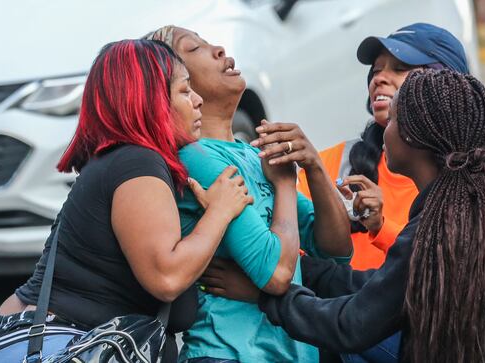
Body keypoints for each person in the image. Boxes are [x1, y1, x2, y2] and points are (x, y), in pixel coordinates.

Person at [212, 70, 485, 362]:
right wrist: (310, 272)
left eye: (391, 120)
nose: (382, 129)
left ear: (413, 137)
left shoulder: (441, 233)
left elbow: (349, 325)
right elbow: (390, 288)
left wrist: (268, 296)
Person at [0, 39, 253, 363]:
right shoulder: (137, 164)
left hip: (35, 340)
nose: (198, 100)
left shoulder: (123, 161)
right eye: (184, 91)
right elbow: (167, 278)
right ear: (152, 102)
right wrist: (220, 211)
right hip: (55, 344)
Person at [144, 26, 352, 362]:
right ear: (175, 82)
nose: (220, 50)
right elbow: (276, 274)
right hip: (230, 353)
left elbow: (337, 249)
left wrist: (313, 166)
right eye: (195, 48)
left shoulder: (254, 156)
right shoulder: (194, 158)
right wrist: (285, 184)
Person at [287, 23, 470, 271]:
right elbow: (292, 251)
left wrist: (381, 227)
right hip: (329, 306)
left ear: (444, 87)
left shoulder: (471, 182)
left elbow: (446, 273)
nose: (378, 78)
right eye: (375, 70)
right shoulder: (333, 162)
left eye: (400, 68)